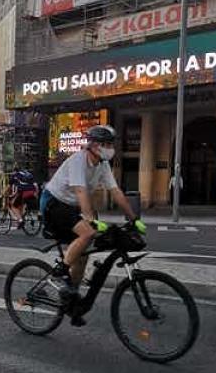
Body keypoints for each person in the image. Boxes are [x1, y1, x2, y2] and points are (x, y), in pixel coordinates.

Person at [43, 125, 145, 324]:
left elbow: (116, 192)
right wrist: (91, 220)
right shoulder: (78, 160)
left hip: (71, 207)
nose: (110, 148)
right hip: (53, 203)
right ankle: (59, 273)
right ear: (94, 145)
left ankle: (70, 300)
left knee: (82, 258)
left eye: (110, 144)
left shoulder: (102, 165)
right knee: (87, 233)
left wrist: (134, 219)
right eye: (106, 144)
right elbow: (81, 192)